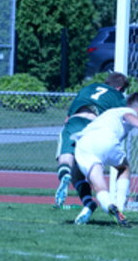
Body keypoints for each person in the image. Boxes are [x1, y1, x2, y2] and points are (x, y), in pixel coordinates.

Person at [55, 72, 129, 222]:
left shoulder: (89, 88)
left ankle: (64, 174)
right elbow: (123, 118)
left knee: (67, 160)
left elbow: (67, 118)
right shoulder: (118, 97)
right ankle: (92, 203)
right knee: (86, 170)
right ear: (119, 88)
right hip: (93, 130)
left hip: (75, 121)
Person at [73, 91, 138, 226]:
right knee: (124, 168)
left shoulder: (111, 112)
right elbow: (129, 116)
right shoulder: (126, 111)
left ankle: (109, 205)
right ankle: (120, 207)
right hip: (105, 138)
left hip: (84, 143)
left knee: (98, 182)